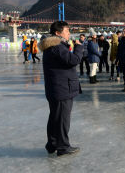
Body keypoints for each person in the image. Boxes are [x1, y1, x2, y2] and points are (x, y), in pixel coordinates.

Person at [38, 21, 82, 156]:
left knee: (55, 117)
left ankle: (52, 144)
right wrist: (79, 48)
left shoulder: (53, 46)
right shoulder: (57, 47)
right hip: (62, 89)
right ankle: (62, 146)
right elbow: (73, 60)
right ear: (58, 33)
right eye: (67, 31)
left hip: (57, 88)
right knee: (62, 119)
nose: (69, 33)